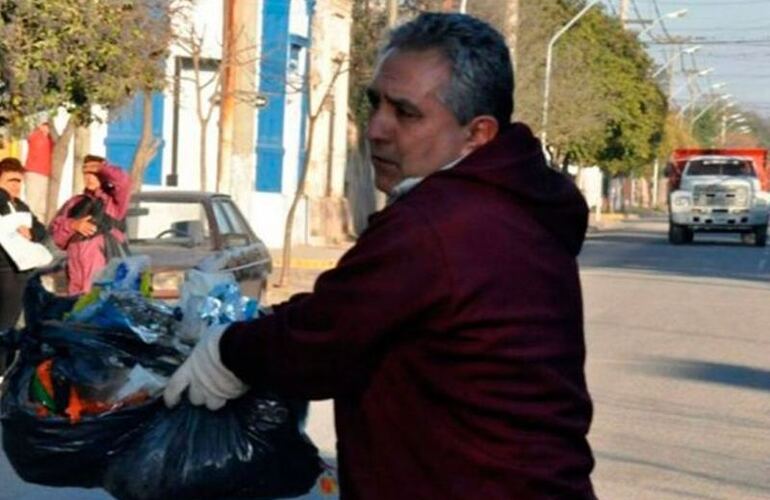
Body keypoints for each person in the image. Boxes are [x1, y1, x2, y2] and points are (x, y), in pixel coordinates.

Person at [164, 12, 595, 499]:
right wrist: (255, 325)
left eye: (406, 113)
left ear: (477, 134)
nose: (376, 130)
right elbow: (358, 308)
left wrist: (227, 353)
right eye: (375, 104)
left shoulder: (440, 222)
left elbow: (322, 340)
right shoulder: (516, 205)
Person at [50, 155, 131, 295]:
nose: (89, 177)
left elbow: (124, 182)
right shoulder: (74, 203)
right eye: (86, 173)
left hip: (104, 282)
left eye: (94, 173)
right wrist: (73, 225)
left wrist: (103, 169)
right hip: (75, 281)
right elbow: (56, 235)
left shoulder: (113, 201)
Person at [0, 157, 47, 373]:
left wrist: (32, 233)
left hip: (17, 272)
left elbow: (41, 230)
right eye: (11, 180)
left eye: (19, 181)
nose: (16, 186)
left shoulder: (21, 206)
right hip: (3, 270)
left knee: (9, 323)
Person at [24, 120, 55, 221]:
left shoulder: (51, 138)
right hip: (34, 173)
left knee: (42, 207)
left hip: (46, 175)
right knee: (32, 204)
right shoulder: (35, 135)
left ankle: (40, 230)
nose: (46, 128)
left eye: (47, 125)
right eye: (44, 125)